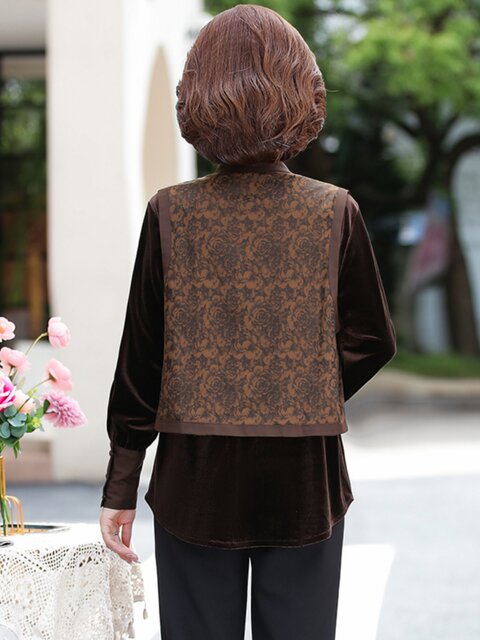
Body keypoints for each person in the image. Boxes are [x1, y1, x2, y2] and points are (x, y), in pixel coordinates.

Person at [99, 4, 396, 639]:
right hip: (304, 476)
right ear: (303, 92)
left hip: (194, 474)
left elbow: (142, 360)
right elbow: (373, 339)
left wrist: (121, 485)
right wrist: (305, 386)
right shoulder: (335, 210)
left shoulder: (169, 214)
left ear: (196, 96)